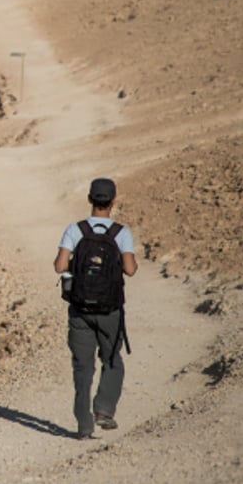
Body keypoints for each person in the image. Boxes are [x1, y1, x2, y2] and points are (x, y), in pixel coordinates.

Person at [53, 177, 138, 439]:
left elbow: (59, 266)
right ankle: (103, 410)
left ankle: (84, 423)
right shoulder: (121, 233)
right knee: (112, 360)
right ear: (112, 201)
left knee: (82, 367)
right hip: (110, 310)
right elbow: (130, 270)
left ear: (90, 199)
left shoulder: (75, 229)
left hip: (80, 309)